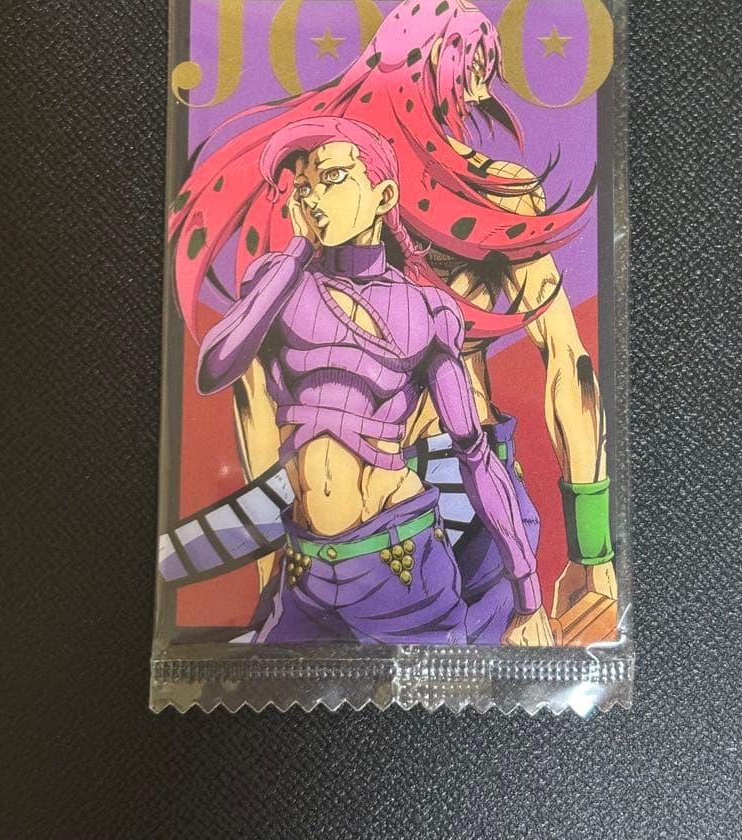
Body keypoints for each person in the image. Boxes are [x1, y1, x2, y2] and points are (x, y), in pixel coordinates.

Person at [169, 0, 614, 644]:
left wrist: (272, 575)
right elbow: (569, 370)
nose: (474, 101)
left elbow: (256, 402)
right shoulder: (462, 190)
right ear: (450, 73)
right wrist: (593, 555)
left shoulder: (326, 181)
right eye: (473, 78)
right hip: (444, 494)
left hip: (388, 505)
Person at [187, 114, 551, 645]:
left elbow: (475, 454)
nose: (314, 198)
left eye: (332, 177)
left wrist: (528, 594)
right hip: (306, 572)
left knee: (438, 695)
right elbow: (214, 368)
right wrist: (297, 252)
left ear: (384, 196)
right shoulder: (277, 283)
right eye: (303, 187)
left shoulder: (425, 311)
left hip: (401, 570)